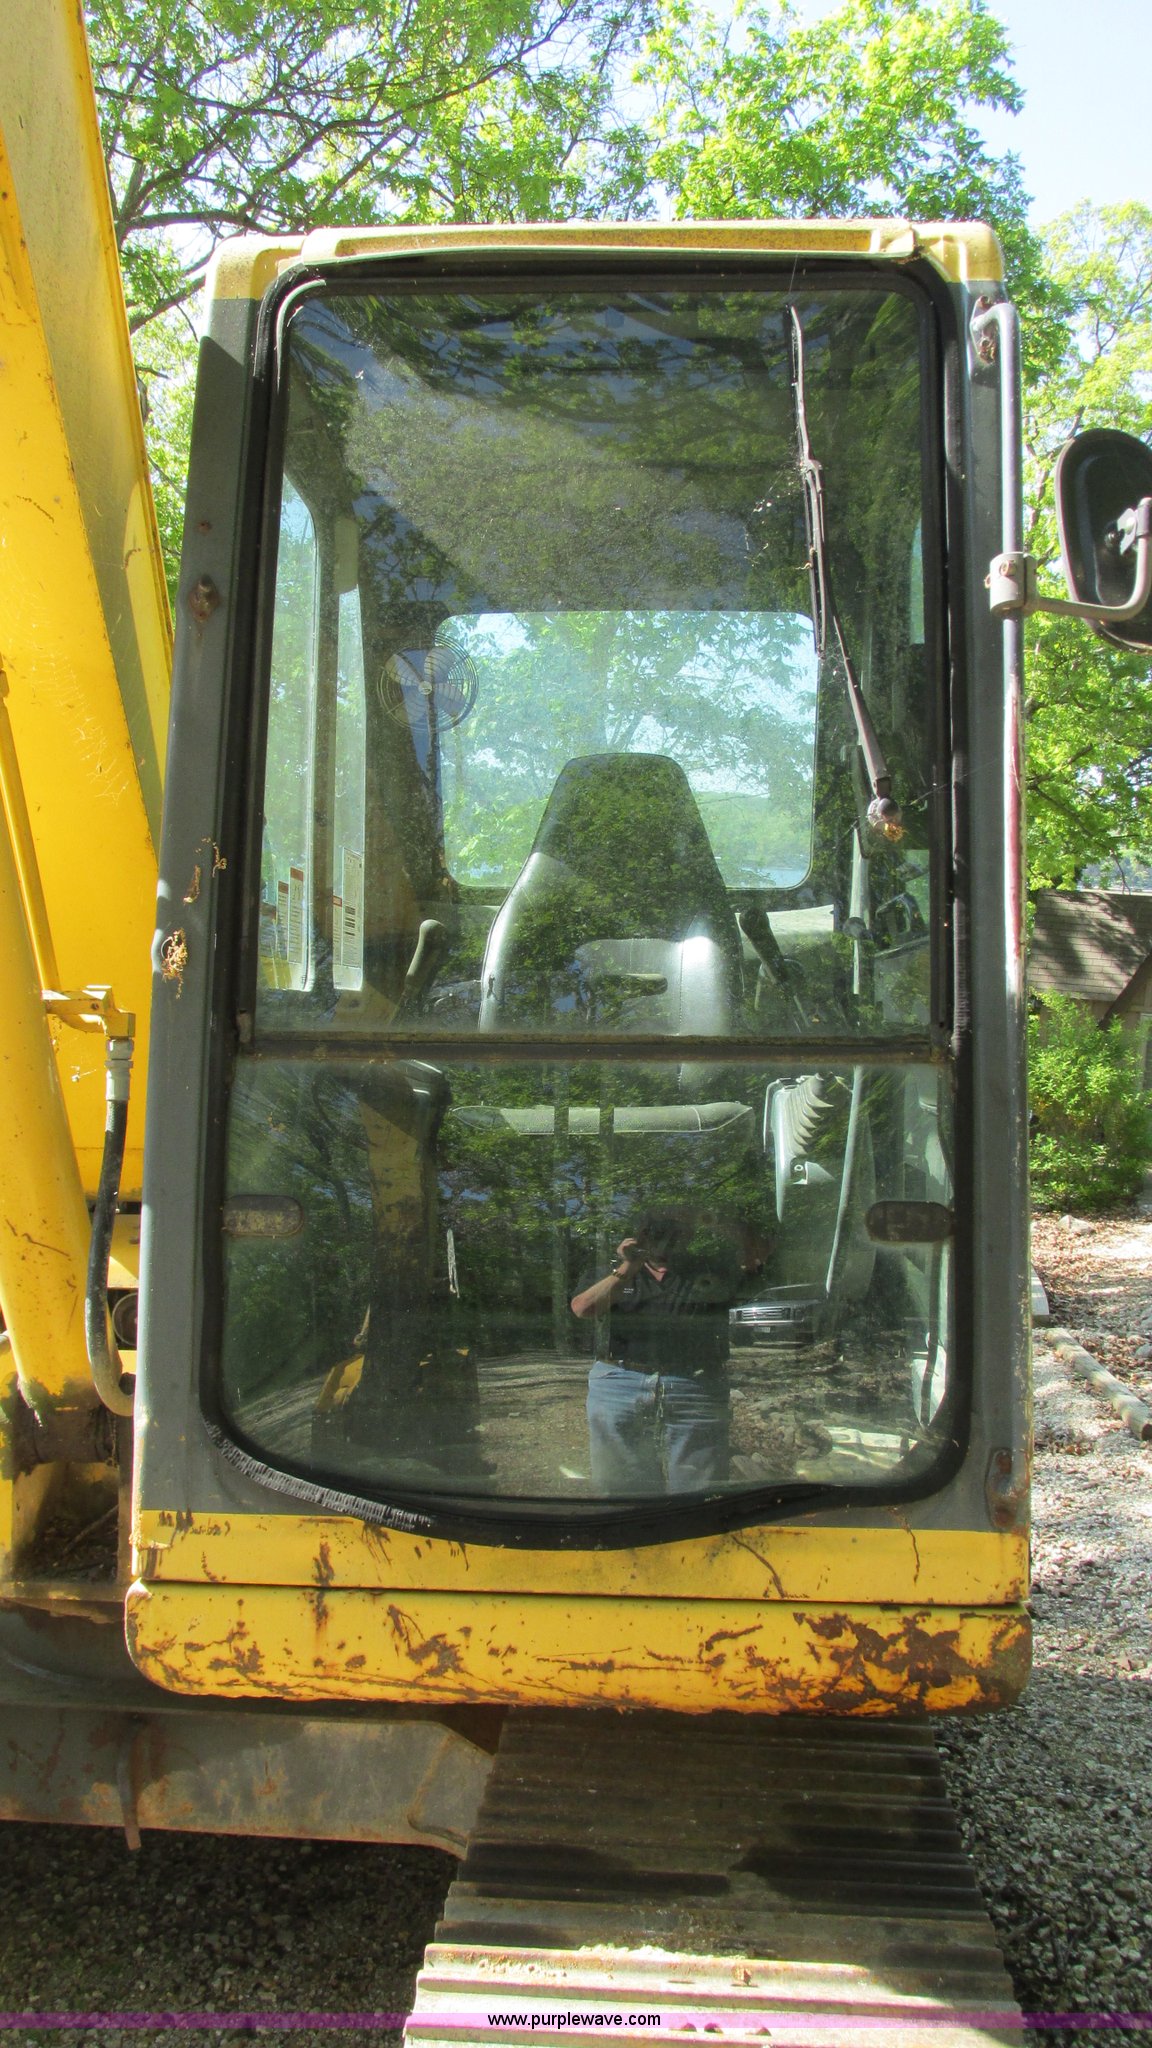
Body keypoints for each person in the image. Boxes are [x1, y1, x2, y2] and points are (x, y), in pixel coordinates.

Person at [570, 1212, 736, 1496]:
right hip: (619, 1379)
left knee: (700, 1488)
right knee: (621, 1488)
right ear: (639, 1238)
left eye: (675, 1234)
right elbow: (583, 1308)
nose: (665, 1243)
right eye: (656, 1234)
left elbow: (752, 1265)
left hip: (694, 1382)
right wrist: (629, 1266)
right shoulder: (613, 1270)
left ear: (687, 1238)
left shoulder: (705, 1270)